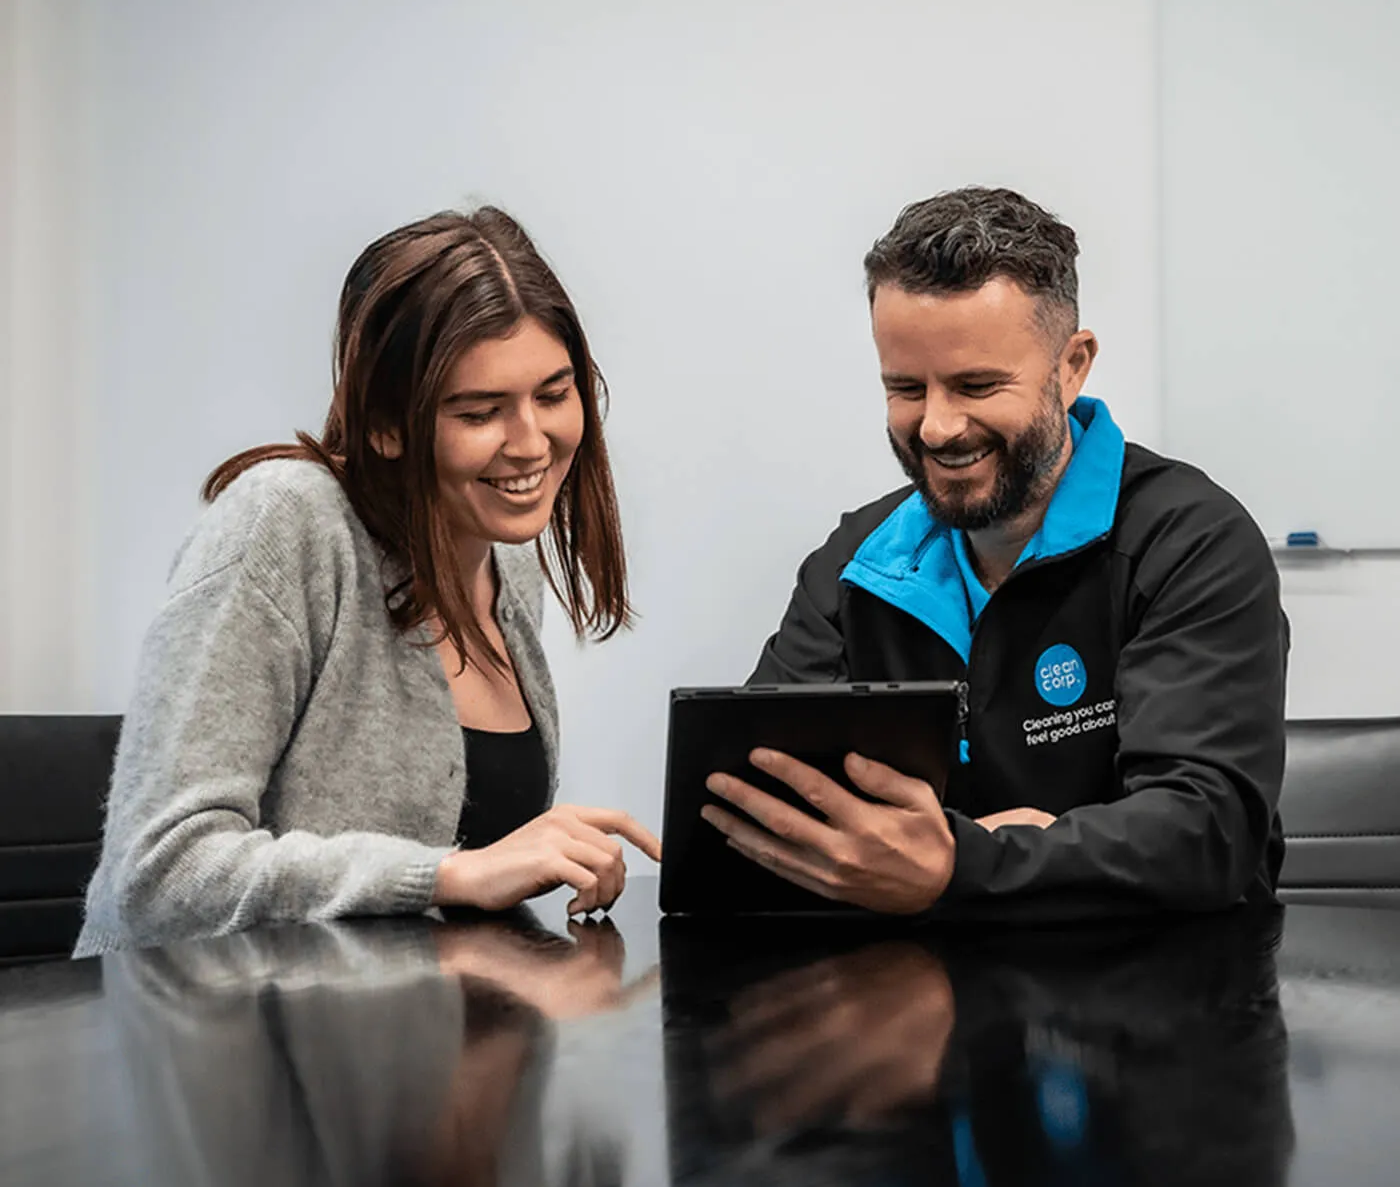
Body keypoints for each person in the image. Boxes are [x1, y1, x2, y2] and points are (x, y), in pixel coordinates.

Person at [76, 208, 660, 957]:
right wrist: (444, 875)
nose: (530, 444)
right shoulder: (285, 524)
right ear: (385, 424)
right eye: (480, 412)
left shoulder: (505, 561)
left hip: (398, 1047)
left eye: (553, 395)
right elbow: (159, 876)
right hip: (225, 1056)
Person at [701, 187, 1286, 920]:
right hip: (916, 1005)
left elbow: (1207, 835)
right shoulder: (859, 562)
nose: (940, 427)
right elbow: (765, 812)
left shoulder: (1191, 542)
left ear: (1071, 367)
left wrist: (962, 862)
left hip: (1169, 1001)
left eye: (977, 385)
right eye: (906, 388)